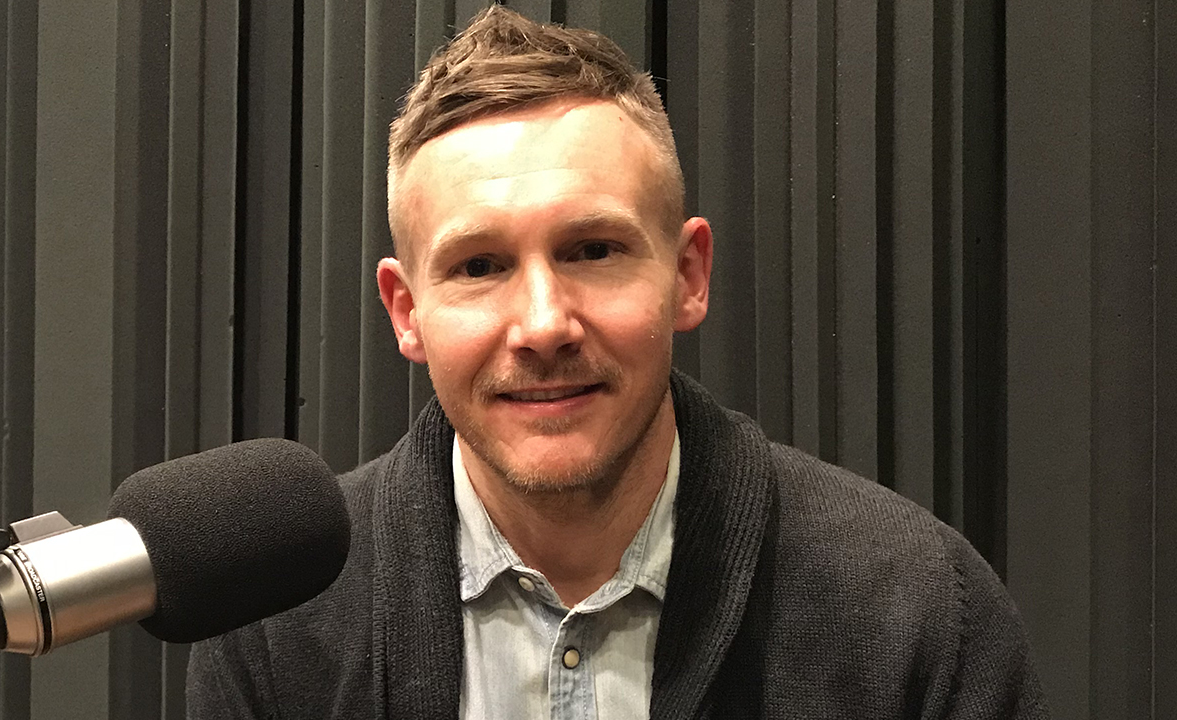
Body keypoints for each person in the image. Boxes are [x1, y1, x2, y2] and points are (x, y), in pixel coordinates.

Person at [187, 7, 1047, 718]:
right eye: (479, 266)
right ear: (407, 313)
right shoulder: (276, 627)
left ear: (688, 274)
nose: (543, 324)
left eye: (593, 250)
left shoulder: (911, 610)